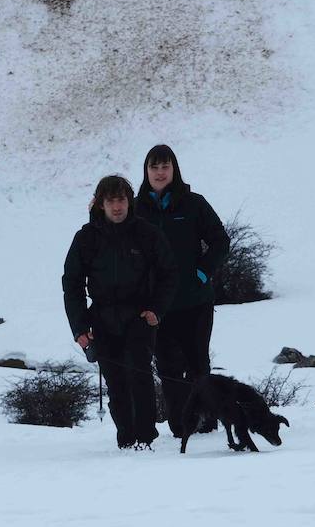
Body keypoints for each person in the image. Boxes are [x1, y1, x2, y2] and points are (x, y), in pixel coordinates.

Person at [62, 175, 177, 449]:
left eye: (122, 200)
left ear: (129, 202)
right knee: (115, 382)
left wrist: (156, 311)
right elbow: (72, 283)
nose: (117, 207)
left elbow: (169, 274)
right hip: (101, 318)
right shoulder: (86, 238)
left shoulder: (147, 234)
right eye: (111, 201)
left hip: (139, 317)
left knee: (139, 376)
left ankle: (146, 438)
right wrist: (79, 328)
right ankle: (125, 439)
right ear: (101, 204)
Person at [135, 145, 230, 437]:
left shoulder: (193, 204)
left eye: (165, 167)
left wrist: (201, 273)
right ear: (146, 171)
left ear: (174, 169)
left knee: (198, 362)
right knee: (167, 368)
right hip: (157, 306)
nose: (160, 173)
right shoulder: (136, 208)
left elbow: (220, 241)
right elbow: (109, 238)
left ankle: (206, 421)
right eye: (154, 167)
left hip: (195, 302)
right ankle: (181, 425)